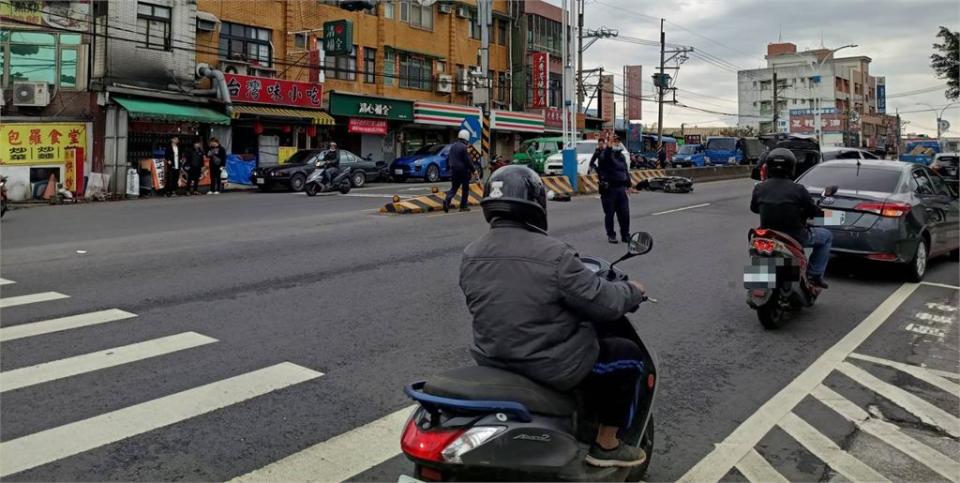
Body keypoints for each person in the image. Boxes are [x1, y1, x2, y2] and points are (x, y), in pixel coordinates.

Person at [461, 165, 649, 468]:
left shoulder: (471, 254)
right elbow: (605, 303)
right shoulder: (555, 255)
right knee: (626, 354)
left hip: (492, 359)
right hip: (548, 367)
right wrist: (633, 291)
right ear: (536, 205)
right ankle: (607, 445)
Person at [750, 148, 832, 288]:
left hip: (768, 235)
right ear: (792, 167)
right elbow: (814, 211)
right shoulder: (798, 189)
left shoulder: (760, 188)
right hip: (795, 236)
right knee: (827, 236)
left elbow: (754, 208)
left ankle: (760, 281)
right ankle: (814, 275)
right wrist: (830, 216)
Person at [597, 135, 632, 244]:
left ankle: (625, 235)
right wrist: (608, 148)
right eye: (614, 142)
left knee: (625, 214)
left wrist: (629, 185)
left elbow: (625, 171)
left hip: (621, 189)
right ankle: (611, 235)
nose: (616, 144)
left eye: (618, 142)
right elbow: (606, 158)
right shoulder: (604, 155)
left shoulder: (621, 156)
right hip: (609, 189)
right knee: (610, 214)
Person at [443, 129, 477, 213]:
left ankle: (447, 200)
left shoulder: (453, 146)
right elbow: (468, 160)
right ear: (466, 138)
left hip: (454, 170)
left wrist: (449, 167)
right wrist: (474, 170)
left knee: (454, 187)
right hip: (463, 170)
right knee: (465, 188)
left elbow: (449, 158)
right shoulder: (464, 147)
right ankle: (463, 206)